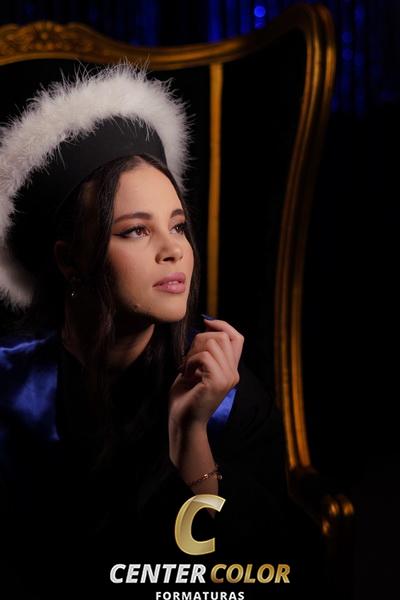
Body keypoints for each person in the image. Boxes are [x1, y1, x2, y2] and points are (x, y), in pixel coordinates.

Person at [0, 64, 292, 599]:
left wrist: (192, 440)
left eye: (177, 225)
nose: (174, 249)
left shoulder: (226, 395)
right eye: (136, 230)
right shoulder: (10, 382)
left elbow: (251, 577)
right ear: (69, 259)